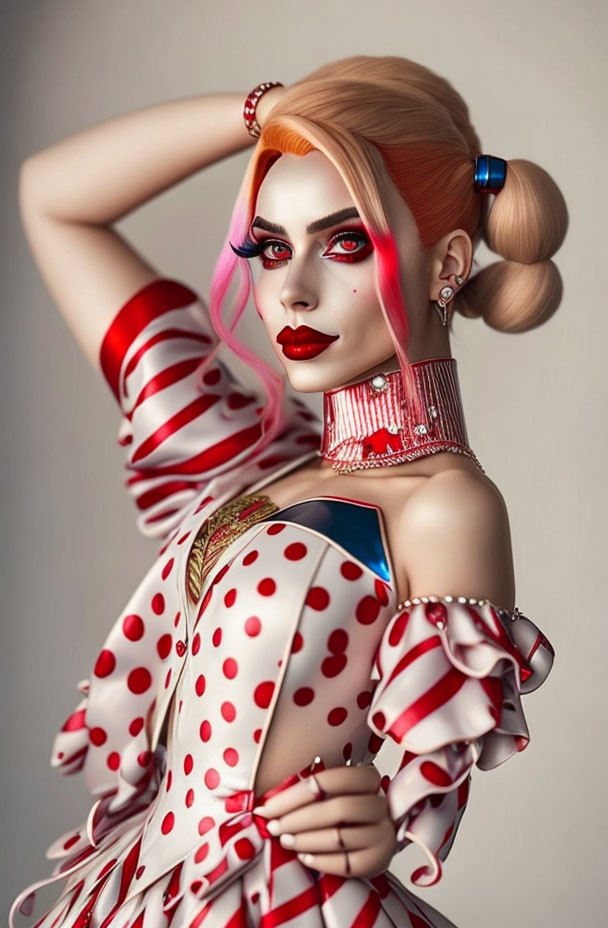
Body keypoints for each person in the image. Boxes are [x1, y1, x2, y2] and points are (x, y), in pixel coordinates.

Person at [11, 55, 564, 928]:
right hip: (134, 898)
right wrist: (267, 112)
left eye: (345, 243)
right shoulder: (242, 457)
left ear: (447, 262)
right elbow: (53, 197)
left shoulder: (444, 505)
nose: (292, 290)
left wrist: (383, 812)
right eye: (270, 247)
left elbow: (427, 766)